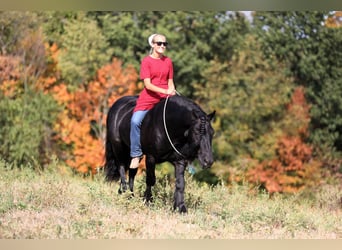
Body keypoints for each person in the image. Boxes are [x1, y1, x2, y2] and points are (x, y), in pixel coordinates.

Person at [129, 33, 176, 169]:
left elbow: (170, 81)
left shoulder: (168, 61)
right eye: (159, 43)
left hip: (165, 99)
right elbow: (148, 85)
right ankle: (136, 154)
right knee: (135, 121)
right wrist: (165, 91)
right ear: (153, 45)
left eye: (164, 44)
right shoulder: (146, 61)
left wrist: (171, 90)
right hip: (149, 99)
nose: (162, 46)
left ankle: (180, 153)